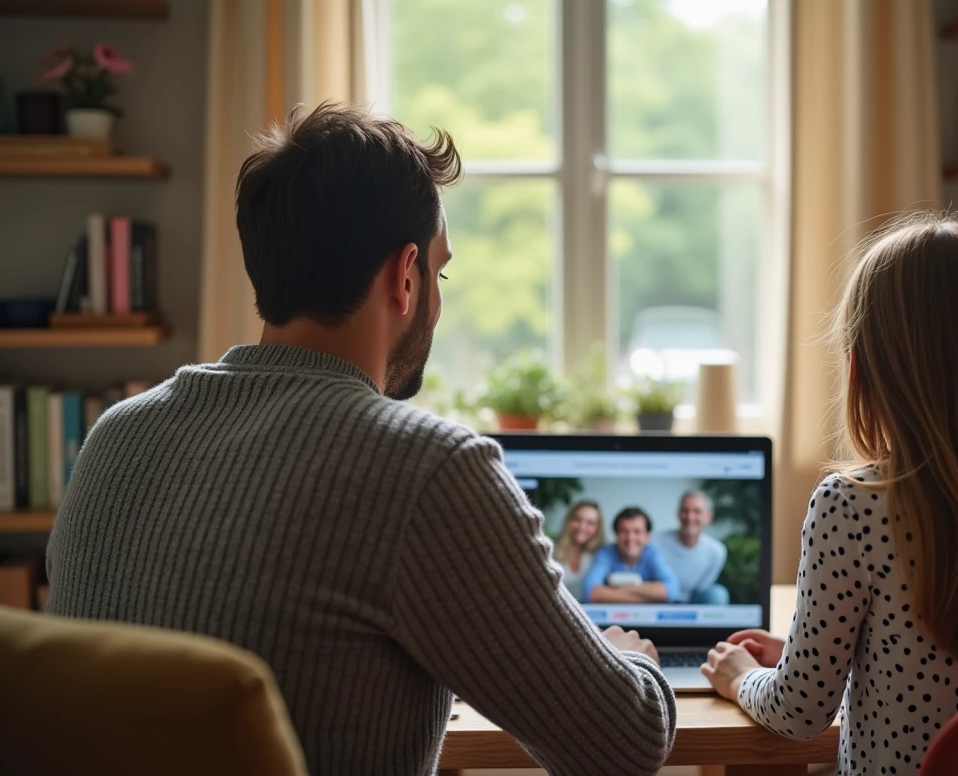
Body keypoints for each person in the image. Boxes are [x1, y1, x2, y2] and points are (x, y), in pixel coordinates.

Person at [45, 103, 676, 776]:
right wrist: (630, 658)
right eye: (440, 272)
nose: (436, 294)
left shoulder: (116, 435)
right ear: (405, 277)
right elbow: (624, 744)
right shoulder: (427, 466)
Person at [701, 217, 958, 776]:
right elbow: (953, 668)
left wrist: (740, 678)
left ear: (860, 368)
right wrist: (807, 653)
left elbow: (801, 711)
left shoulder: (853, 505)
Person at [584, 507, 681, 604]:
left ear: (647, 536)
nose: (630, 538)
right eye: (624, 531)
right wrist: (646, 597)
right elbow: (590, 592)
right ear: (616, 535)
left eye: (637, 532)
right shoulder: (605, 554)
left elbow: (671, 591)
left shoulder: (652, 554)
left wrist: (617, 589)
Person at [653, 490, 729, 604]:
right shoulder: (655, 543)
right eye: (685, 511)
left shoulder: (717, 551)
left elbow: (703, 588)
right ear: (678, 514)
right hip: (661, 599)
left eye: (697, 511)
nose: (690, 517)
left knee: (717, 594)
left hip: (693, 601)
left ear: (709, 516)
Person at [555, 500, 605, 601]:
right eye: (577, 520)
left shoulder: (600, 555)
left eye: (590, 523)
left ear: (597, 528)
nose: (582, 527)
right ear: (569, 521)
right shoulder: (550, 550)